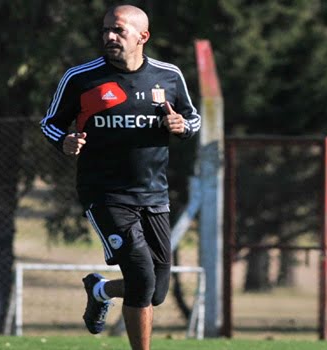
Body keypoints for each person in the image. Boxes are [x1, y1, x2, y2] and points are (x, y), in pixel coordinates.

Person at [40, 4, 201, 350]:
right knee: (141, 276)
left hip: (154, 195)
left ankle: (101, 290)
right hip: (105, 193)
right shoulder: (81, 78)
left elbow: (193, 119)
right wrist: (64, 141)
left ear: (143, 36)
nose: (109, 37)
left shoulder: (168, 76)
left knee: (155, 292)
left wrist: (182, 126)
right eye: (105, 31)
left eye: (119, 31)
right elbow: (50, 123)